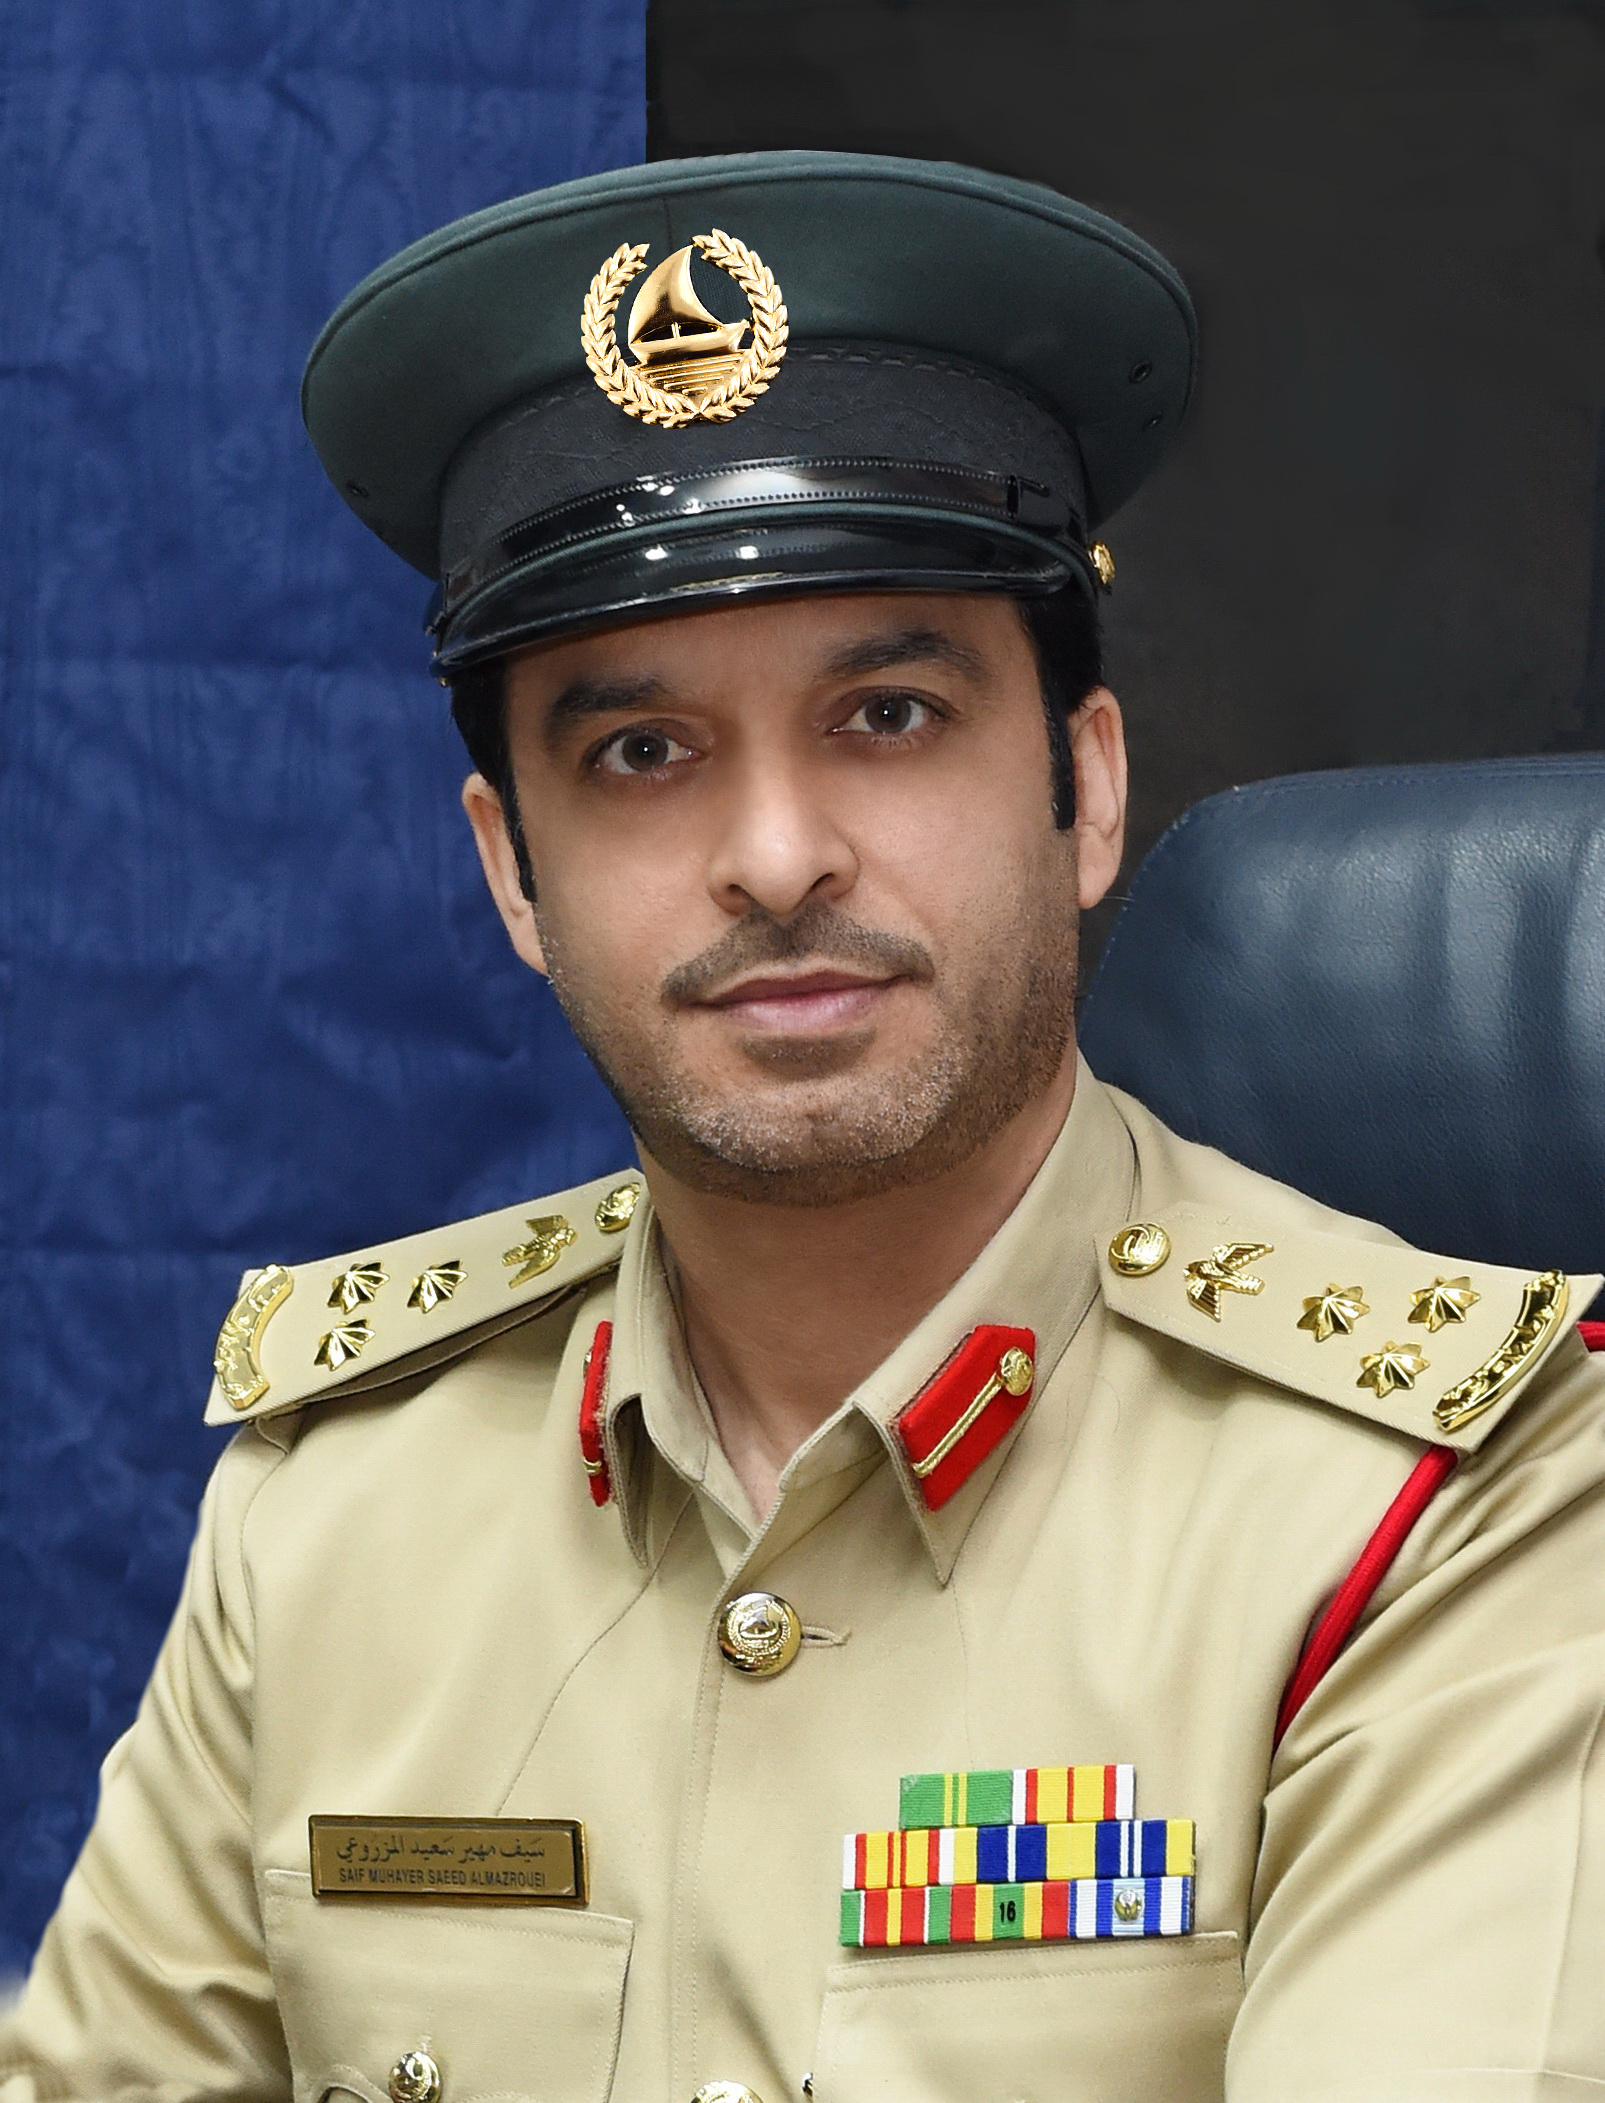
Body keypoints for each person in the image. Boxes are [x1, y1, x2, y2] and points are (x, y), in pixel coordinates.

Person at [2, 151, 1602, 2103]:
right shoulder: (336, 1499)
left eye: (888, 715)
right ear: (512, 873)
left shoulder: (1452, 1497)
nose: (773, 856)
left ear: (1085, 789)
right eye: (641, 752)